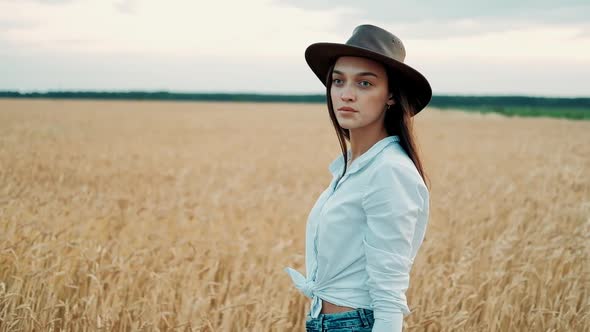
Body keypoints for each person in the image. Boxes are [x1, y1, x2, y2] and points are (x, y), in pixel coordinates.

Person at [284, 24, 432, 332]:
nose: (346, 94)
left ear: (391, 96)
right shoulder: (353, 167)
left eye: (365, 84)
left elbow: (390, 293)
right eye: (338, 81)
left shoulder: (389, 171)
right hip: (325, 322)